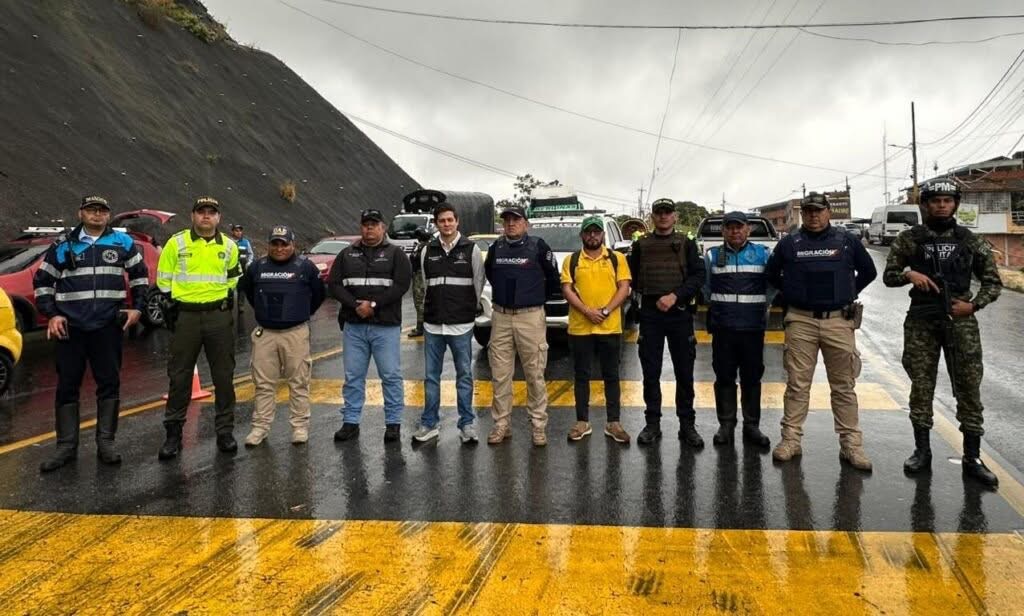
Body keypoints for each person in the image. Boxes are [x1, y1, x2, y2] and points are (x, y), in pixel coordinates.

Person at [883, 178, 1002, 488]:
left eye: (947, 201)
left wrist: (973, 306)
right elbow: (890, 276)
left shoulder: (970, 240)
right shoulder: (910, 238)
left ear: (955, 205)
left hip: (960, 322)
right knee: (921, 386)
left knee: (968, 386)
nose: (941, 206)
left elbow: (993, 282)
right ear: (925, 205)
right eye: (935, 201)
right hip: (922, 320)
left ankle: (972, 457)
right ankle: (922, 451)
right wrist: (910, 274)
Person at [32, 195, 149, 471]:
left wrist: (138, 309)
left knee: (109, 384)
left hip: (107, 327)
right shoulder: (63, 245)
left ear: (108, 215)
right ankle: (66, 447)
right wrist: (52, 314)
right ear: (81, 213)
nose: (97, 214)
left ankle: (106, 443)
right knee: (67, 387)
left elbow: (140, 277)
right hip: (70, 329)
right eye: (91, 210)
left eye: (102, 210)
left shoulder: (123, 243)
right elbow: (42, 282)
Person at [766, 192, 877, 470]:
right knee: (797, 384)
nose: (814, 215)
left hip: (838, 321)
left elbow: (869, 272)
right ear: (802, 214)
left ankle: (851, 444)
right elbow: (771, 275)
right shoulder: (789, 243)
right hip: (800, 321)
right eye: (808, 211)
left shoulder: (847, 241)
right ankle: (790, 440)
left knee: (844, 386)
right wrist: (791, 293)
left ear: (828, 212)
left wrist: (847, 292)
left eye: (818, 210)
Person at [156, 196, 242, 459]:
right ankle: (173, 435)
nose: (206, 216)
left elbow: (233, 279)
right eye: (201, 211)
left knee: (223, 377)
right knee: (179, 376)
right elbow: (163, 280)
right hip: (186, 317)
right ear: (192, 215)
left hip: (218, 316)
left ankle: (225, 432)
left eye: (211, 212)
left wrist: (215, 299)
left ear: (218, 217)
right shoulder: (176, 243)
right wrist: (178, 304)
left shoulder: (229, 246)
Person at [328, 209, 412, 443]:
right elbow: (334, 284)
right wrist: (355, 305)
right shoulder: (346, 254)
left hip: (385, 326)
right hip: (354, 325)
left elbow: (401, 285)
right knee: (353, 377)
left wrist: (373, 305)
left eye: (374, 224)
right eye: (366, 224)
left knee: (390, 375)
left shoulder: (396, 254)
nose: (369, 228)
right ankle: (350, 422)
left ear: (383, 227)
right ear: (361, 227)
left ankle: (393, 423)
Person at [628, 198, 706, 448]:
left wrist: (675, 296)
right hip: (650, 314)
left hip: (679, 312)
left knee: (684, 372)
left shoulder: (687, 243)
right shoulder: (641, 244)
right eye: (659, 212)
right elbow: (631, 276)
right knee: (650, 373)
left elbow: (698, 276)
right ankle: (652, 424)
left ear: (675, 216)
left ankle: (687, 425)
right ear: (652, 217)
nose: (663, 216)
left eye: (667, 212)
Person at [239, 225, 325, 447]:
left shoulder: (305, 267)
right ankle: (260, 427)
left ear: (292, 245)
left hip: (295, 333)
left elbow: (318, 294)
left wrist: (301, 313)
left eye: (284, 244)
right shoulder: (257, 267)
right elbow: (248, 292)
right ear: (269, 245)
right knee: (263, 384)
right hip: (265, 334)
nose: (279, 248)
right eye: (275, 244)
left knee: (299, 382)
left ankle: (299, 426)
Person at [484, 203, 560, 446]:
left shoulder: (539, 246)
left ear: (526, 223)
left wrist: (534, 299)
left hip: (530, 317)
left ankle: (538, 426)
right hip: (501, 317)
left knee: (534, 374)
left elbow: (553, 279)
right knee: (500, 374)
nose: (510, 223)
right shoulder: (496, 248)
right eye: (506, 219)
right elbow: (490, 274)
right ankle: (501, 424)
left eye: (516, 219)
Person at [412, 204, 485, 444]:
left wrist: (467, 310)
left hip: (461, 325)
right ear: (436, 223)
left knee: (464, 376)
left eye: (450, 220)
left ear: (457, 221)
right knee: (431, 377)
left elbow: (478, 283)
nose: (446, 224)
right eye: (442, 220)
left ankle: (467, 425)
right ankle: (429, 423)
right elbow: (425, 284)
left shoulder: (471, 249)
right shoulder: (427, 250)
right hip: (433, 325)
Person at [703, 211, 773, 448]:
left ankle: (752, 425)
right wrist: (720, 307)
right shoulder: (712, 255)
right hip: (723, 327)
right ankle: (726, 424)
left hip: (752, 327)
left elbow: (772, 285)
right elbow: (705, 287)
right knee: (724, 376)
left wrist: (762, 304)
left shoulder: (763, 254)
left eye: (739, 227)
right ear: (723, 230)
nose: (735, 231)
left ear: (748, 229)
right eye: (730, 227)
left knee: (752, 377)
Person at [560, 215, 632, 444]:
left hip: (609, 327)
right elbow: (567, 289)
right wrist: (587, 311)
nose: (593, 236)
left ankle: (614, 422)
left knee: (611, 375)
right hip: (580, 328)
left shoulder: (617, 258)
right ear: (582, 235)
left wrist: (606, 310)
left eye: (597, 232)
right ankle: (582, 422)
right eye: (588, 232)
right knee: (581, 375)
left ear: (602, 235)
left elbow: (624, 287)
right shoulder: (571, 260)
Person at [407, 227, 431, 338]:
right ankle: (422, 326)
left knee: (419, 302)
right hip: (418, 275)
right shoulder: (420, 246)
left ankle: (420, 328)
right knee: (420, 302)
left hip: (420, 275)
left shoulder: (424, 247)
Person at [230, 224, 252, 311]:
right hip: (232, 268)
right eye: (236, 231)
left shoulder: (246, 242)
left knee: (242, 287)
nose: (239, 232)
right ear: (232, 232)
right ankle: (230, 304)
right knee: (230, 287)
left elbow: (250, 254)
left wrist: (249, 263)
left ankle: (241, 305)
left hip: (243, 268)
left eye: (240, 231)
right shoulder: (229, 242)